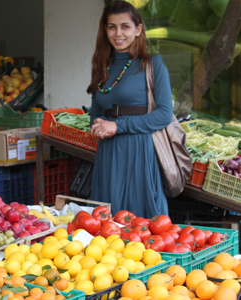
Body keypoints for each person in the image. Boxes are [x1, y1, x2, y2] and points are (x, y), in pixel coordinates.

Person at [87, 1, 172, 218]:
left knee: (140, 224)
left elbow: (164, 114)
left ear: (138, 29)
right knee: (107, 224)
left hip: (139, 151)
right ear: (105, 29)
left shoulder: (152, 65)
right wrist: (97, 125)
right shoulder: (101, 66)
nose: (118, 33)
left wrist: (117, 125)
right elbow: (96, 110)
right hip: (108, 153)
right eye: (112, 27)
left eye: (125, 26)